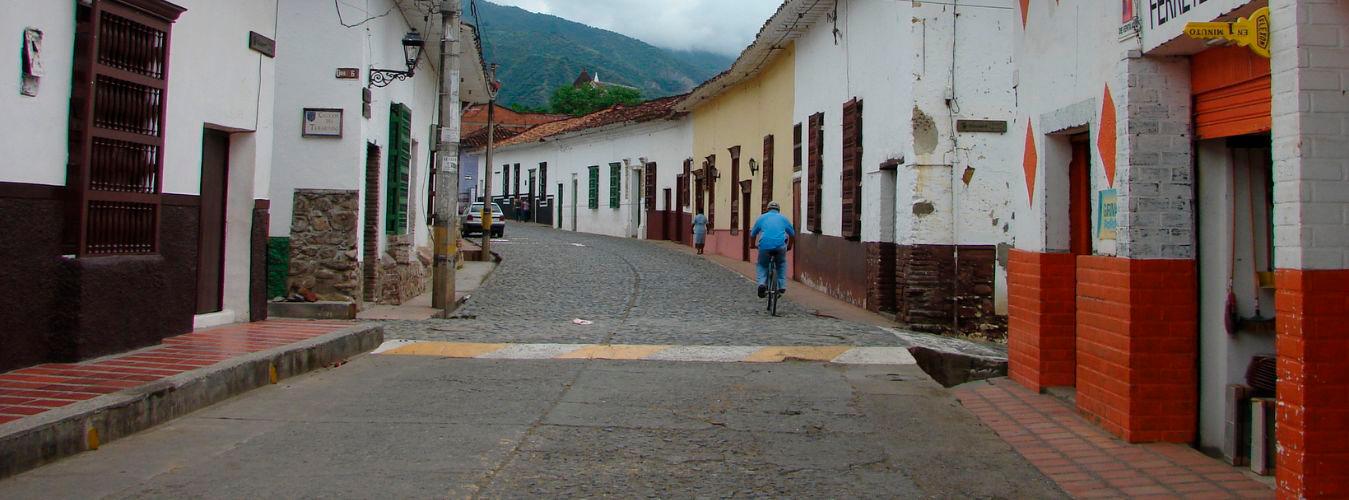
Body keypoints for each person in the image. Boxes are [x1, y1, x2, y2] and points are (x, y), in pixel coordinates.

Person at [750, 201, 795, 298]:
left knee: (762, 264)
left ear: (767, 209)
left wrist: (752, 245)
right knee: (781, 263)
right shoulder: (783, 218)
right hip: (780, 246)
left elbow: (753, 234)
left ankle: (762, 283)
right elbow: (792, 234)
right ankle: (781, 286)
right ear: (778, 210)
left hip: (764, 245)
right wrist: (789, 246)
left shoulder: (761, 218)